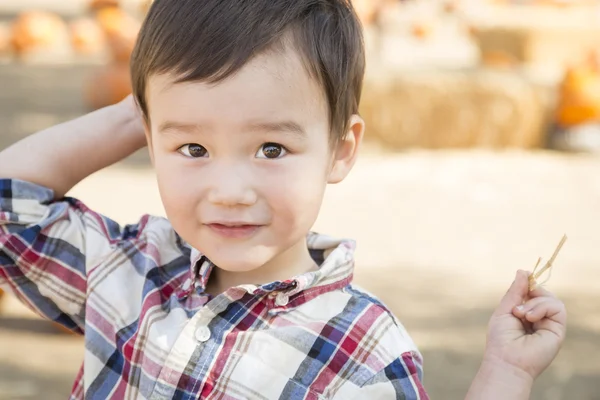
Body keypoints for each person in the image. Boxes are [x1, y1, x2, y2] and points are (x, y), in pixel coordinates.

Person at [0, 0, 565, 398]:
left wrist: (506, 375)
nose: (230, 192)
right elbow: (9, 202)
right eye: (192, 147)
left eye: (271, 148)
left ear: (340, 150)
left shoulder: (360, 350)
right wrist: (136, 112)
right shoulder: (130, 267)